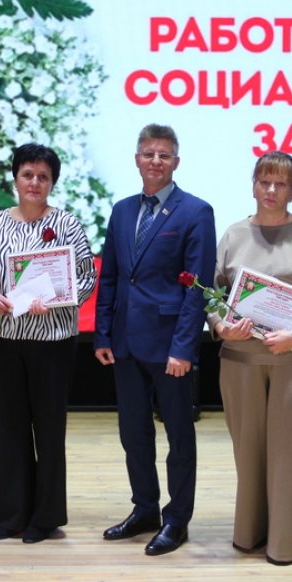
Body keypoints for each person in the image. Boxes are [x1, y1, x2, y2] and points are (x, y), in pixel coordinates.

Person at [209, 151, 292, 566]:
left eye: (280, 183)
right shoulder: (233, 235)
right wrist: (220, 326)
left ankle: (285, 543)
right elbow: (212, 293)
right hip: (240, 360)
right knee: (248, 453)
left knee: (289, 455)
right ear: (253, 185)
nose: (270, 190)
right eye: (264, 181)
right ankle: (249, 533)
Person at [94, 124, 215, 556]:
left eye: (164, 155)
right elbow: (110, 275)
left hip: (169, 348)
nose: (156, 161)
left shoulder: (195, 211)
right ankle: (144, 508)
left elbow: (197, 288)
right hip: (125, 342)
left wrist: (184, 348)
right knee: (134, 434)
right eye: (148, 154)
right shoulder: (122, 210)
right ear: (137, 159)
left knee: (179, 437)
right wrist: (102, 332)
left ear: (176, 162)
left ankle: (176, 519)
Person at [0, 143, 96, 544]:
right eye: (28, 174)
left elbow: (87, 277)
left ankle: (46, 517)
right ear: (15, 178)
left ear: (52, 182)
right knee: (10, 428)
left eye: (43, 176)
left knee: (48, 430)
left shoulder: (67, 223)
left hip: (53, 340)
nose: (35, 183)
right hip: (7, 338)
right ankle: (11, 515)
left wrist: (58, 299)